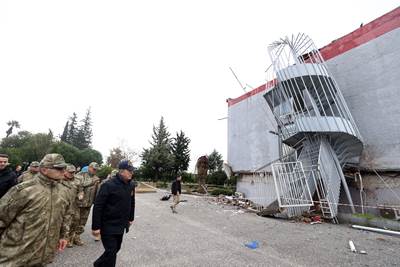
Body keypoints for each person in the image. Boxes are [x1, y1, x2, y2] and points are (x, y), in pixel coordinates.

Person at [0, 153, 73, 266]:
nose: (64, 171)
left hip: (43, 254)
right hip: (15, 254)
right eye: (59, 168)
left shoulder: (64, 191)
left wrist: (64, 236)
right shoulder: (24, 190)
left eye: (64, 168)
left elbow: (66, 214)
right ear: (44, 170)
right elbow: (2, 218)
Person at [92, 160, 136, 267]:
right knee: (111, 252)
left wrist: (130, 218)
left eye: (132, 171)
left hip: (121, 225)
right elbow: (98, 206)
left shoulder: (131, 185)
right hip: (108, 224)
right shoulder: (108, 185)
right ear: (121, 171)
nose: (131, 173)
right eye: (129, 170)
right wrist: (95, 227)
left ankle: (98, 264)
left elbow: (132, 202)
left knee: (116, 248)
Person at [74, 162, 100, 245]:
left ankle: (77, 237)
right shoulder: (80, 175)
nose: (95, 171)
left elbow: (97, 191)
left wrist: (96, 202)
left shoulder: (96, 178)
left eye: (96, 170)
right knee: (74, 221)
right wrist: (92, 182)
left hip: (88, 204)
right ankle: (69, 237)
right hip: (78, 203)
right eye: (94, 169)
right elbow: (77, 185)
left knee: (82, 222)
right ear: (89, 167)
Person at [61, 164, 81, 248]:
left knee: (74, 222)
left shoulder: (77, 181)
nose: (72, 174)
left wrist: (81, 195)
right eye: (70, 172)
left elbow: (81, 190)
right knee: (60, 223)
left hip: (73, 206)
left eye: (73, 172)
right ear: (65, 171)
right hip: (61, 205)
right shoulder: (59, 180)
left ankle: (69, 239)